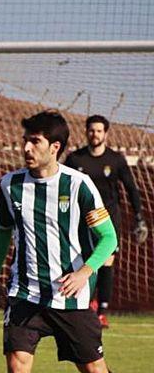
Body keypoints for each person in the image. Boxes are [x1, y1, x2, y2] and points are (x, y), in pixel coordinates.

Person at [0, 110, 148, 373]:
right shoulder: (10, 185)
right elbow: (1, 230)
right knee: (17, 365)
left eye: (35, 142)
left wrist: (86, 271)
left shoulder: (78, 186)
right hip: (25, 294)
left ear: (55, 147)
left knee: (95, 371)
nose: (26, 147)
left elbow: (109, 238)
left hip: (70, 298)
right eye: (25, 140)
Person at [64, 114, 148, 328]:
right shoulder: (75, 159)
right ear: (86, 132)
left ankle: (101, 310)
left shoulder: (116, 160)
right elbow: (62, 186)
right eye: (92, 130)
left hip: (108, 219)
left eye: (99, 131)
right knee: (83, 262)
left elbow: (131, 189)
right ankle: (84, 304)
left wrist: (139, 216)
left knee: (106, 262)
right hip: (81, 221)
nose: (95, 134)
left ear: (106, 133)